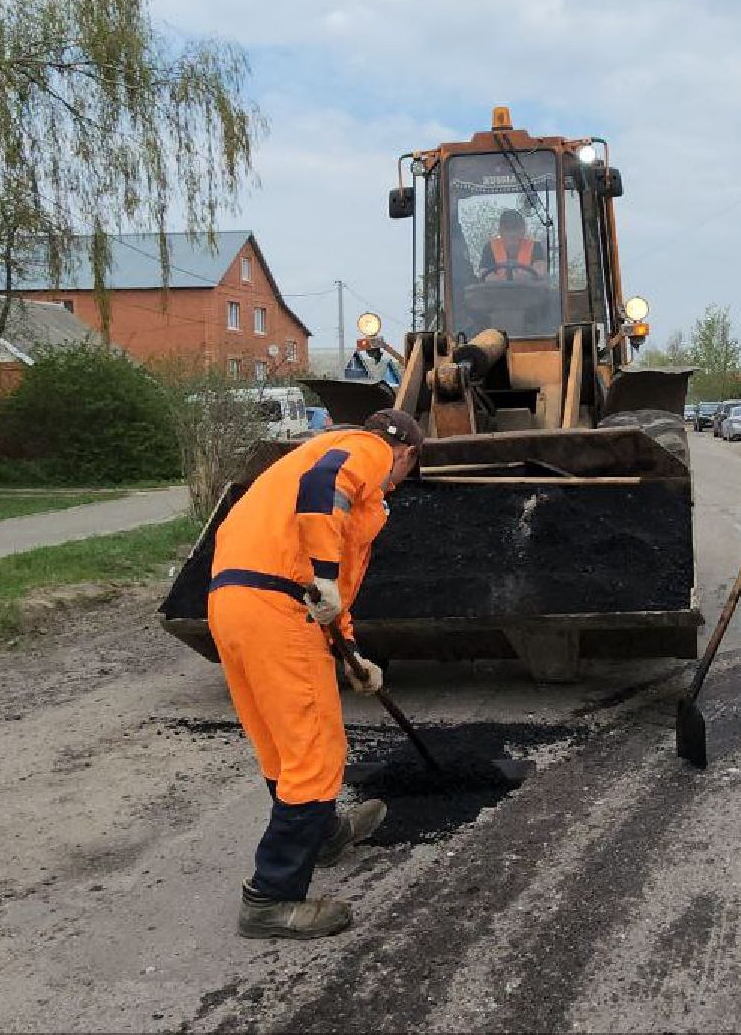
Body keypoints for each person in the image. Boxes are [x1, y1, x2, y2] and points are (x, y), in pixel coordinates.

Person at [207, 408, 425, 939]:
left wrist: (352, 653)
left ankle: (324, 835)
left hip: (232, 603)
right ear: (405, 454)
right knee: (315, 754)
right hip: (278, 607)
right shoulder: (368, 450)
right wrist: (325, 575)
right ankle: (271, 898)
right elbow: (326, 490)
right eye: (405, 474)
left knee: (282, 745)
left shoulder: (304, 465)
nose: (395, 486)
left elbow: (333, 592)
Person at [477, 209, 549, 281]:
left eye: (515, 228)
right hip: (496, 291)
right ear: (500, 231)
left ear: (523, 230)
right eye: (507, 229)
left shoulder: (535, 246)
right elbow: (484, 274)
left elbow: (540, 271)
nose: (512, 233)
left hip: (529, 291)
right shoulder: (490, 248)